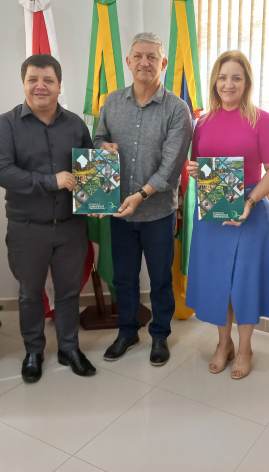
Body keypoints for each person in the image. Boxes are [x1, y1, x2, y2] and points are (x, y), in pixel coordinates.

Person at [0, 54, 96, 383]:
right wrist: (52, 180)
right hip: (27, 228)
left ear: (60, 86)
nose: (40, 86)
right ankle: (34, 351)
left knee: (68, 292)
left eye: (48, 80)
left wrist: (106, 166)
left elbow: (90, 171)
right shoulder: (5, 125)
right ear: (23, 84)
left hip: (70, 227)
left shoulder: (76, 124)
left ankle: (69, 348)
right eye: (33, 79)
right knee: (30, 293)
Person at [94, 32, 193, 366]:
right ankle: (127, 331)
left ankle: (160, 335)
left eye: (152, 57)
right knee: (123, 277)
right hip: (119, 211)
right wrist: (102, 148)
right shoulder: (111, 102)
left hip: (157, 213)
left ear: (163, 63)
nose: (144, 62)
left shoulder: (178, 110)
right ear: (128, 61)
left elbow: (170, 167)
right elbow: (98, 139)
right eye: (138, 56)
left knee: (161, 278)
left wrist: (140, 196)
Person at [186, 50, 269, 379]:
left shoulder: (261, 120)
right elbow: (200, 167)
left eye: (236, 78)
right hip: (213, 212)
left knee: (244, 283)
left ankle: (244, 348)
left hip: (249, 211)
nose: (228, 84)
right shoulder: (203, 122)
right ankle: (223, 344)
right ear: (214, 80)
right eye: (223, 77)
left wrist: (251, 201)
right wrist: (195, 171)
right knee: (217, 282)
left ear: (247, 82)